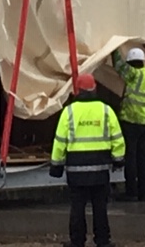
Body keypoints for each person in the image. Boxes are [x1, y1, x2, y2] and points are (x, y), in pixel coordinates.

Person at [50, 73, 125, 247]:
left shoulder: (69, 112)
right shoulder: (106, 110)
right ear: (94, 89)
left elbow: (60, 141)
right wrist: (118, 159)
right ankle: (103, 241)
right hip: (100, 169)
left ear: (78, 91)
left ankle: (77, 241)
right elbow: (118, 138)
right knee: (100, 207)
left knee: (77, 207)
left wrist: (56, 165)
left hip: (76, 171)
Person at [111, 42, 145, 202]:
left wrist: (114, 48)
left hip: (129, 121)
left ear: (131, 62)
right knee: (142, 158)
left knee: (130, 158)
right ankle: (144, 193)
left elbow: (118, 64)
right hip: (144, 122)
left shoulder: (132, 74)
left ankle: (131, 192)